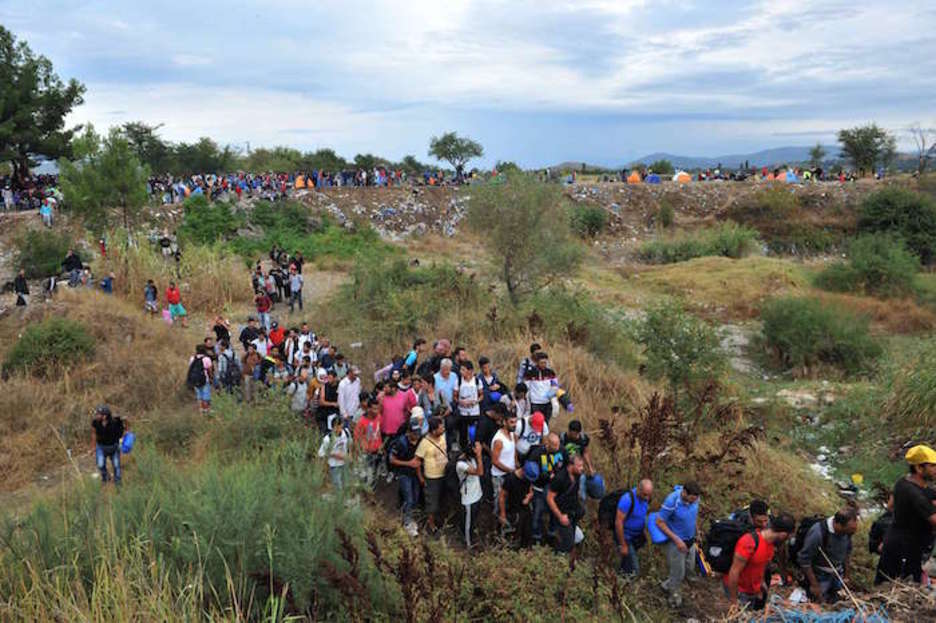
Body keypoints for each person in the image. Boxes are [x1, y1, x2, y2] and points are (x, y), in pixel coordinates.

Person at [875, 445, 936, 585]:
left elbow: (890, 506)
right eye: (933, 466)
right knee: (896, 586)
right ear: (919, 468)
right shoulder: (914, 494)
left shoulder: (903, 482)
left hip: (899, 542)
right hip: (903, 549)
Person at [724, 514, 796, 610]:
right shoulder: (749, 542)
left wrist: (760, 585)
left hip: (752, 590)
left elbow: (761, 566)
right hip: (740, 590)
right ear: (783, 534)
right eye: (787, 537)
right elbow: (734, 572)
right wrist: (734, 601)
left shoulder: (771, 545)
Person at [797, 507, 858, 603]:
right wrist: (814, 585)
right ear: (838, 525)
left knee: (838, 599)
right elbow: (804, 560)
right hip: (820, 575)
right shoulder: (818, 533)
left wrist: (846, 576)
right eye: (849, 530)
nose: (852, 533)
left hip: (837, 573)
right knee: (819, 601)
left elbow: (847, 552)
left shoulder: (848, 532)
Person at [656, 482, 702, 608]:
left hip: (690, 540)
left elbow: (693, 516)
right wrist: (677, 540)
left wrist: (697, 532)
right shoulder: (672, 501)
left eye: (696, 499)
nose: (694, 502)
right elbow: (659, 522)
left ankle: (666, 585)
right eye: (692, 499)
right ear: (685, 493)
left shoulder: (696, 499)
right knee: (678, 573)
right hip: (677, 543)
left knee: (689, 566)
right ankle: (674, 599)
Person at [525, 432, 564, 546]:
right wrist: (546, 476)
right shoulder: (536, 454)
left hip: (553, 490)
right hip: (539, 489)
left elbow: (564, 467)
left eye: (558, 444)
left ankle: (551, 535)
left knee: (554, 513)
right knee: (537, 515)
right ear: (548, 443)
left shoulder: (560, 452)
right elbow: (531, 472)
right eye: (554, 445)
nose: (557, 447)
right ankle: (536, 539)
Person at [389, 418, 423, 537]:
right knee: (409, 498)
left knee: (415, 497)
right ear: (408, 432)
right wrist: (408, 463)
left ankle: (410, 517)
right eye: (414, 433)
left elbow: (417, 460)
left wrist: (420, 475)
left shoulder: (420, 441)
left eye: (418, 433)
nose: (417, 435)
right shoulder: (401, 443)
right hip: (403, 473)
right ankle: (407, 523)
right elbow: (392, 459)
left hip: (415, 474)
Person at [415, 416, 448, 533]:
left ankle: (440, 520)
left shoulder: (442, 437)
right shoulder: (424, 443)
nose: (443, 429)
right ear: (434, 431)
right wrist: (420, 477)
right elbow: (417, 461)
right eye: (441, 428)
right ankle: (431, 525)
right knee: (432, 503)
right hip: (432, 477)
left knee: (442, 499)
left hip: (444, 474)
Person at [547, 454, 586, 554]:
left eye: (582, 465)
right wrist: (560, 516)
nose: (582, 468)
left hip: (572, 513)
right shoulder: (560, 478)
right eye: (579, 466)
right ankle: (557, 558)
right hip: (562, 514)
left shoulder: (577, 476)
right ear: (571, 465)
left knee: (574, 540)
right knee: (567, 543)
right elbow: (550, 498)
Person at [615, 479, 653, 575]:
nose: (647, 498)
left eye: (649, 495)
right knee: (635, 569)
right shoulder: (627, 500)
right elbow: (618, 523)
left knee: (627, 561)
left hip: (637, 536)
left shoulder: (646, 498)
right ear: (639, 490)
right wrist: (623, 544)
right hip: (626, 537)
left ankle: (620, 575)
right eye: (645, 495)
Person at [456, 438, 485, 548]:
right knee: (468, 522)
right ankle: (468, 544)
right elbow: (480, 472)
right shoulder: (461, 464)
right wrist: (479, 456)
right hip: (468, 498)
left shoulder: (471, 458)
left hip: (477, 494)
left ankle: (472, 536)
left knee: (473, 519)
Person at [91, 405, 126, 486]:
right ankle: (106, 477)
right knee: (100, 464)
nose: (96, 416)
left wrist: (124, 438)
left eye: (98, 414)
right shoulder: (95, 422)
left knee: (116, 465)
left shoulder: (115, 422)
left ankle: (118, 483)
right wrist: (93, 447)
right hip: (101, 447)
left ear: (104, 416)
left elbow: (125, 428)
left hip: (114, 447)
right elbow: (93, 434)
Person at [354, 396, 383, 488]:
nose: (376, 411)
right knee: (366, 475)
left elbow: (378, 432)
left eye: (378, 408)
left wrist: (380, 445)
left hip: (377, 451)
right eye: (374, 409)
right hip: (366, 453)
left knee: (375, 474)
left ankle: (371, 489)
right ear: (369, 409)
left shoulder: (379, 417)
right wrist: (359, 452)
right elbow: (356, 438)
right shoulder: (361, 422)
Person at [318, 414, 350, 490]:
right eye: (336, 427)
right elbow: (321, 454)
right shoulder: (328, 439)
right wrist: (335, 455)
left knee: (346, 485)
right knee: (338, 487)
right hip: (334, 465)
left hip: (345, 463)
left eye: (340, 426)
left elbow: (350, 443)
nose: (338, 429)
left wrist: (349, 455)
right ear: (333, 427)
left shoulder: (346, 432)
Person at [455, 361, 482, 448]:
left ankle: (475, 447)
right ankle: (464, 448)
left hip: (474, 411)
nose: (461, 371)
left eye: (463, 369)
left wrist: (475, 401)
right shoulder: (458, 381)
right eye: (461, 369)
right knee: (463, 432)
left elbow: (481, 395)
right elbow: (455, 396)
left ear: (470, 371)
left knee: (475, 431)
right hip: (463, 411)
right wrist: (460, 402)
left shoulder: (477, 381)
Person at [188, 344, 213, 414]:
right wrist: (211, 378)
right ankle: (207, 411)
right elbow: (210, 370)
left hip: (195, 379)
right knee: (206, 397)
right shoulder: (207, 359)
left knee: (199, 396)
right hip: (205, 379)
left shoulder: (192, 358)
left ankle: (201, 411)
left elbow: (190, 368)